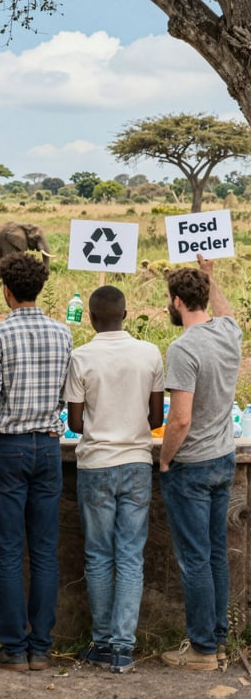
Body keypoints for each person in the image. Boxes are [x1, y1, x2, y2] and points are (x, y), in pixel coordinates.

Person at [0, 252, 72, 672]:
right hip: (48, 447)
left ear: (7, 290)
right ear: (41, 288)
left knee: (9, 550)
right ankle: (42, 648)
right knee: (45, 550)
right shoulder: (64, 334)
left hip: (8, 448)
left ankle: (14, 649)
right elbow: (67, 395)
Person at [63, 286, 164, 673]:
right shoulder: (149, 353)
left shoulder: (82, 356)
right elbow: (156, 419)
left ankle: (102, 642)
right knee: (130, 556)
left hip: (96, 466)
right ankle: (123, 649)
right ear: (126, 313)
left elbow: (74, 423)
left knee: (98, 555)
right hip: (137, 463)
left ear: (91, 318)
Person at [159, 254, 241, 671]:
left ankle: (202, 650)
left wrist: (165, 460)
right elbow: (226, 310)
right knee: (215, 555)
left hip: (190, 465)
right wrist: (211, 277)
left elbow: (181, 418)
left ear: (176, 302)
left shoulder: (183, 347)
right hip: (224, 459)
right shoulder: (228, 331)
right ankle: (218, 641)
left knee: (194, 560)